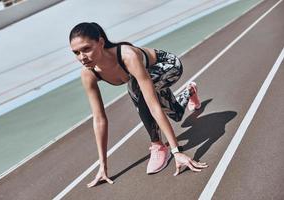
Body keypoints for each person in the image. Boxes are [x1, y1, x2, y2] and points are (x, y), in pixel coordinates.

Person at [69, 22, 208, 188]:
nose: (82, 57)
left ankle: (158, 146)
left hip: (169, 66)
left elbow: (153, 105)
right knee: (176, 114)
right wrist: (103, 167)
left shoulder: (127, 56)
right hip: (148, 81)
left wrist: (176, 151)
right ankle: (190, 91)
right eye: (76, 52)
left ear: (100, 42)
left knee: (134, 87)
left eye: (86, 49)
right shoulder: (88, 73)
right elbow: (99, 119)